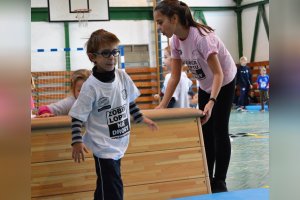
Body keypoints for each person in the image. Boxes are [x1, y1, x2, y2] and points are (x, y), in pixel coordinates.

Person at [154, 0, 237, 193]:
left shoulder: (201, 38)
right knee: (205, 130)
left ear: (174, 19)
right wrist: (162, 105)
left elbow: (219, 74)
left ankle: (220, 181)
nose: (158, 28)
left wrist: (212, 101)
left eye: (160, 22)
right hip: (205, 84)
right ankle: (207, 176)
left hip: (223, 81)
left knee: (219, 129)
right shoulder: (175, 40)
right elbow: (174, 76)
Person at [68, 29, 158, 200]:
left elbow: (128, 100)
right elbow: (77, 116)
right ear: (92, 57)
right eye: (106, 53)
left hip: (118, 142)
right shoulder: (90, 87)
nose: (111, 57)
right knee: (114, 186)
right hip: (103, 146)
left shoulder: (122, 76)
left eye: (114, 52)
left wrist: (140, 117)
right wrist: (77, 141)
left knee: (105, 185)